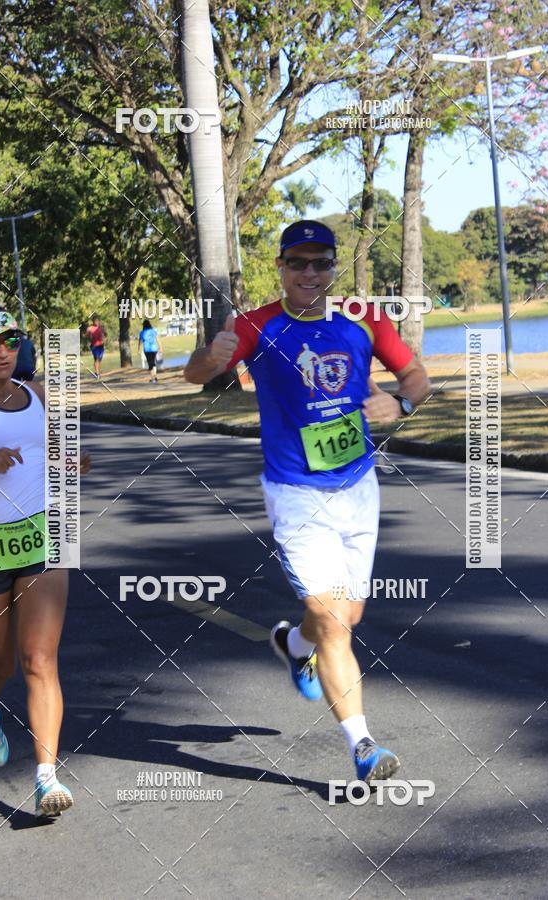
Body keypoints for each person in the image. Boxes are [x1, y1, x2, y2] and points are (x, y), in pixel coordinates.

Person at [184, 220, 431, 787]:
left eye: (321, 264)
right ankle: (363, 744)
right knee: (332, 621)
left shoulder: (363, 319)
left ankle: (292, 645)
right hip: (296, 494)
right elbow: (196, 372)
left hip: (359, 489)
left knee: (347, 616)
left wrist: (401, 404)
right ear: (282, 267)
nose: (310, 274)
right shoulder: (256, 325)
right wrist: (212, 355)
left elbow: (416, 375)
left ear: (332, 267)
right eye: (299, 263)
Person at [0, 303, 91, 817]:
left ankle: (47, 777)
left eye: (12, 339)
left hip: (44, 532)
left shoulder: (37, 394)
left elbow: (51, 451)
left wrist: (72, 462)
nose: (4, 350)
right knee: (0, 662)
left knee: (38, 659)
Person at [137, 319, 163, 383]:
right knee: (153, 363)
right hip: (154, 349)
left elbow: (140, 342)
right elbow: (158, 340)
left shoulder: (141, 332)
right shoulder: (153, 331)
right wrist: (160, 348)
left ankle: (153, 378)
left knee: (150, 364)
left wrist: (138, 349)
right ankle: (155, 377)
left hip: (147, 349)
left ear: (143, 325)